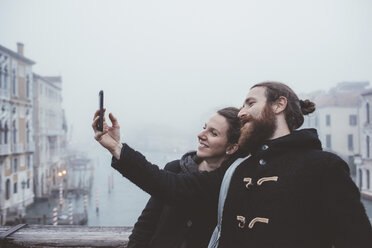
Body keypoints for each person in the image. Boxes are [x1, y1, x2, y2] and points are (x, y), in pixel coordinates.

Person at [93, 81, 372, 248]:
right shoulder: (238, 170)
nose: (241, 112)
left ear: (278, 105)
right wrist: (117, 148)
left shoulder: (325, 167)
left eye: (250, 103)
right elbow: (175, 188)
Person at [127, 107, 241, 248]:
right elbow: (145, 225)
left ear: (231, 148)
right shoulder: (175, 169)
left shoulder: (230, 183)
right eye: (204, 128)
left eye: (213, 133)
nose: (200, 135)